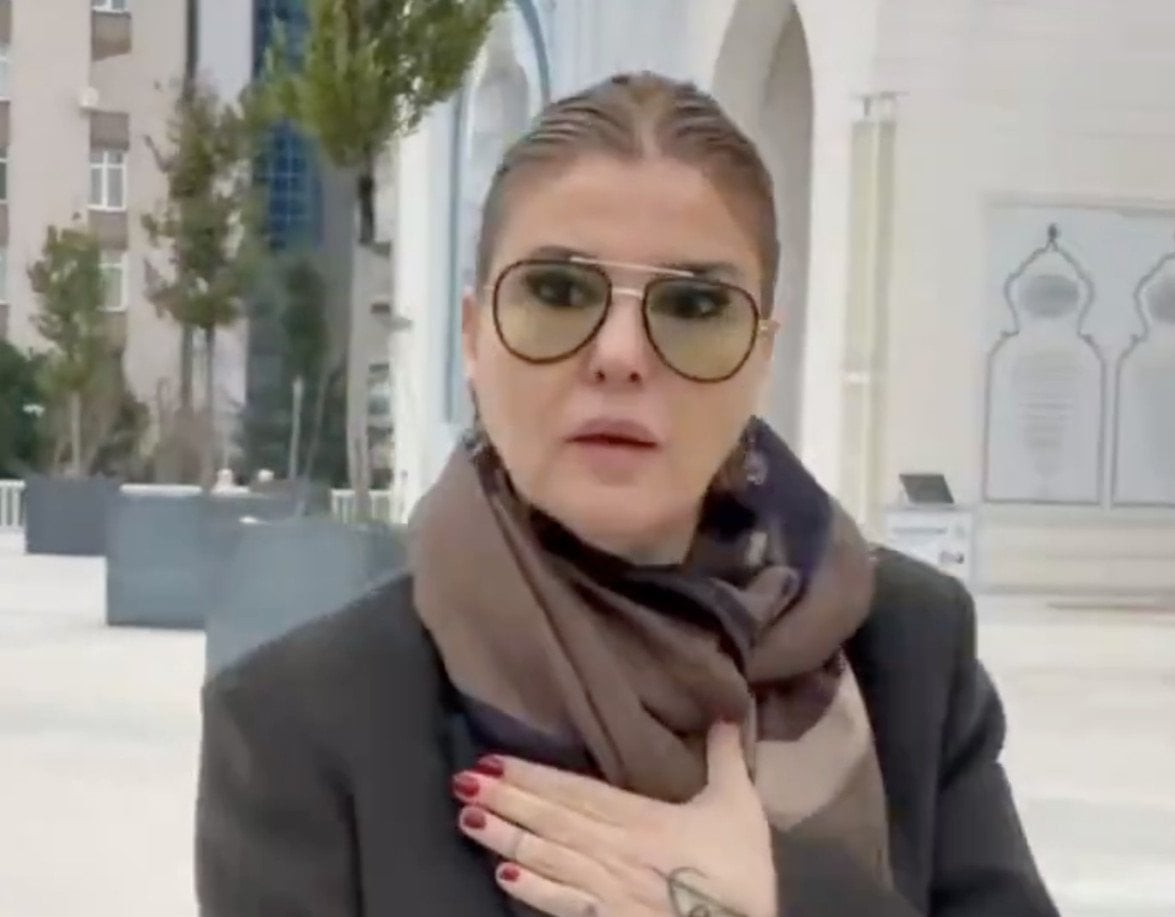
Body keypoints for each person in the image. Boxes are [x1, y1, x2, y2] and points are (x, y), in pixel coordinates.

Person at [195, 72, 1060, 917]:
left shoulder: (908, 651)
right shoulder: (304, 721)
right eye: (557, 292)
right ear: (473, 336)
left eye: (695, 305)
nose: (619, 353)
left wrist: (778, 895)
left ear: (761, 355)